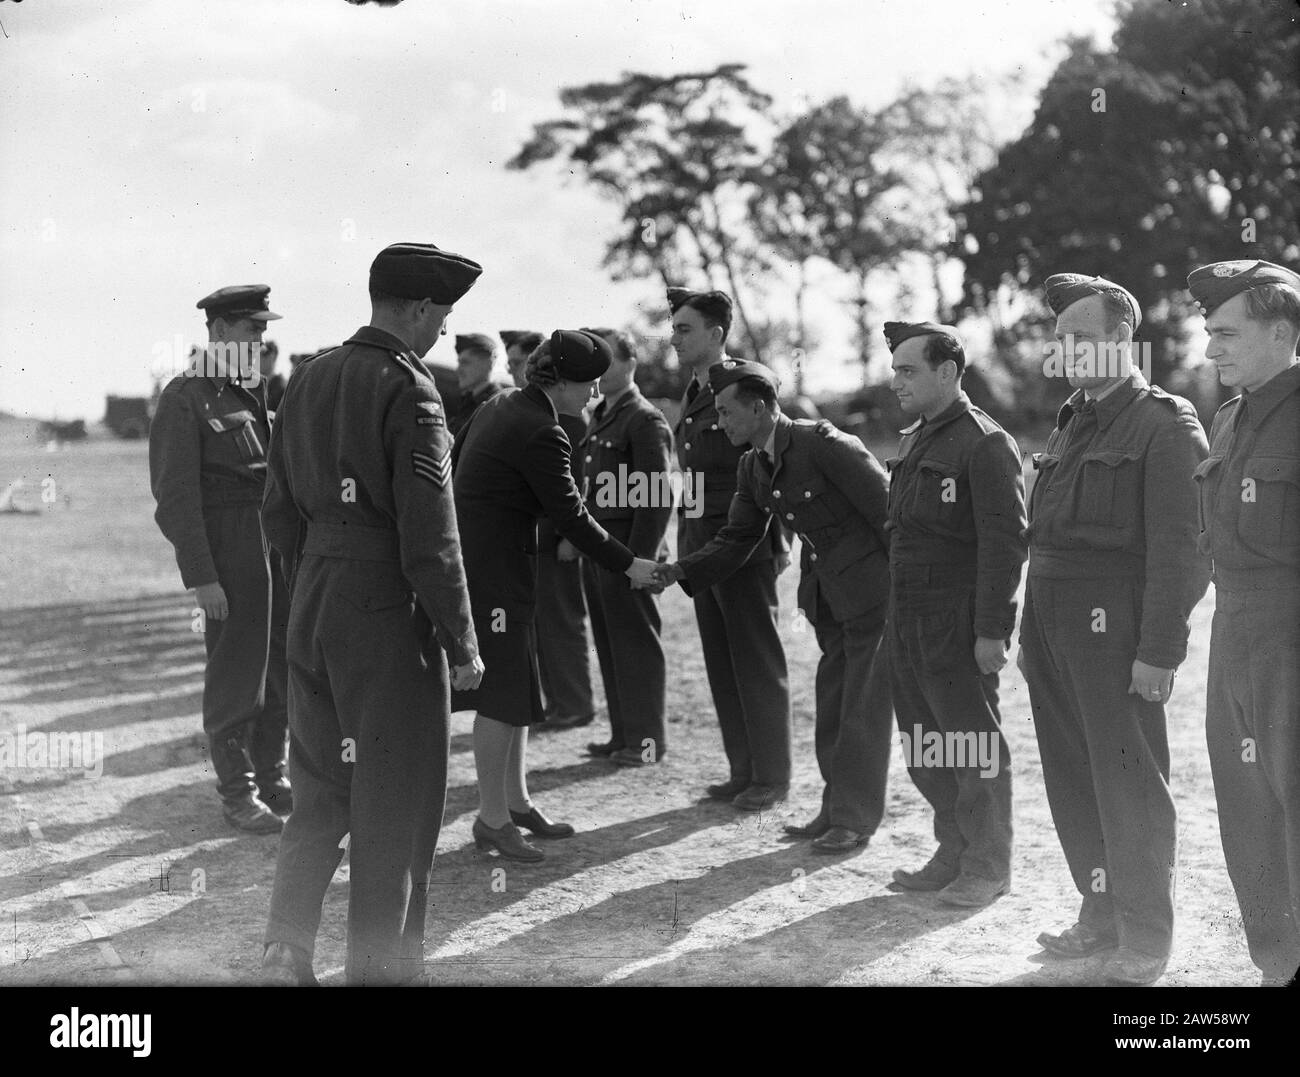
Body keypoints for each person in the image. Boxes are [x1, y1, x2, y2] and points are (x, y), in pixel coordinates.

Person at [259, 242, 485, 986]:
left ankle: (285, 950)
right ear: (417, 308)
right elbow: (432, 537)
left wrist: (313, 588)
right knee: (394, 797)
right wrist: (461, 639)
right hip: (385, 613)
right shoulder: (411, 391)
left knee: (319, 791)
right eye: (443, 315)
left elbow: (276, 511)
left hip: (313, 602)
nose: (443, 332)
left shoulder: (309, 377)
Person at [1021, 274, 1210, 985]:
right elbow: (1048, 533)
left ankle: (1146, 933)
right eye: (1060, 339)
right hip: (1052, 628)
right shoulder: (1074, 416)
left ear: (1121, 338)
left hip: (1116, 633)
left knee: (1128, 779)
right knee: (1073, 776)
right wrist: (1028, 633)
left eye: (1079, 338)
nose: (1065, 351)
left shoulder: (1165, 424)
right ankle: (1098, 915)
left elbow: (1185, 549)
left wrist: (1159, 650)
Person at [655, 360, 894, 852]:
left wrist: (904, 591)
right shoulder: (753, 464)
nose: (720, 423)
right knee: (832, 705)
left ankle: (853, 819)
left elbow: (889, 515)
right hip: (828, 598)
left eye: (726, 412)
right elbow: (739, 536)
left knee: (862, 709)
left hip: (872, 594)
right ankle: (834, 811)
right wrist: (679, 570)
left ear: (760, 407)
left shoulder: (823, 444)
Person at [451, 330, 662, 862]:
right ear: (562, 381)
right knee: (501, 698)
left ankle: (516, 803)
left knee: (519, 688)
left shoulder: (504, 406)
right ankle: (492, 820)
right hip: (497, 573)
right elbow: (571, 515)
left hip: (492, 567)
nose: (594, 394)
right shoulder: (543, 429)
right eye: (589, 384)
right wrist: (630, 562)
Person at [884, 321, 1027, 908]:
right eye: (895, 369)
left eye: (908, 370)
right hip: (908, 617)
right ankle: (953, 851)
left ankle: (988, 865)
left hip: (955, 620)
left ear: (948, 373)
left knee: (971, 745)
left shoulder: (984, 442)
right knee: (924, 743)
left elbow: (1006, 542)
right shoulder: (918, 437)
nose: (897, 381)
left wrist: (992, 630)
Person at [1189, 258, 1300, 988]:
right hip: (1234, 632)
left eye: (1226, 333)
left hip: (1293, 634)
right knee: (1247, 803)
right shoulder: (1230, 416)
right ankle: (1275, 963)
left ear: (1282, 332)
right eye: (1208, 334)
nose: (1210, 350)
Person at [148, 284, 290, 836]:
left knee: (276, 667)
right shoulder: (186, 395)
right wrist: (203, 577)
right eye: (253, 329)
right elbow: (176, 499)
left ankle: (272, 777)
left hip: (267, 544)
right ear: (221, 330)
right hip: (229, 548)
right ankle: (238, 792)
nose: (261, 339)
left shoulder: (244, 389)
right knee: (236, 674)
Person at [669, 288, 793, 812]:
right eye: (674, 328)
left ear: (717, 335)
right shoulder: (694, 391)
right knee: (722, 660)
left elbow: (773, 459)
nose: (674, 339)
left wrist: (779, 539)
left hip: (743, 542)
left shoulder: (745, 383)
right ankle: (742, 769)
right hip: (703, 542)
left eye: (685, 330)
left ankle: (772, 775)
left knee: (755, 660)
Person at [577, 327, 674, 766]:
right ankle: (623, 736)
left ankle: (646, 741)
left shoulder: (643, 418)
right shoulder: (602, 414)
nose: (598, 371)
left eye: (607, 361)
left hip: (627, 550)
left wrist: (641, 559)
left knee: (635, 645)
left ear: (631, 363)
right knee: (611, 643)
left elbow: (656, 497)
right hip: (602, 549)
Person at [450, 332, 508, 436]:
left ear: (489, 363)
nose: (458, 370)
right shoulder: (470, 401)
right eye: (459, 363)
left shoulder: (497, 404)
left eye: (465, 362)